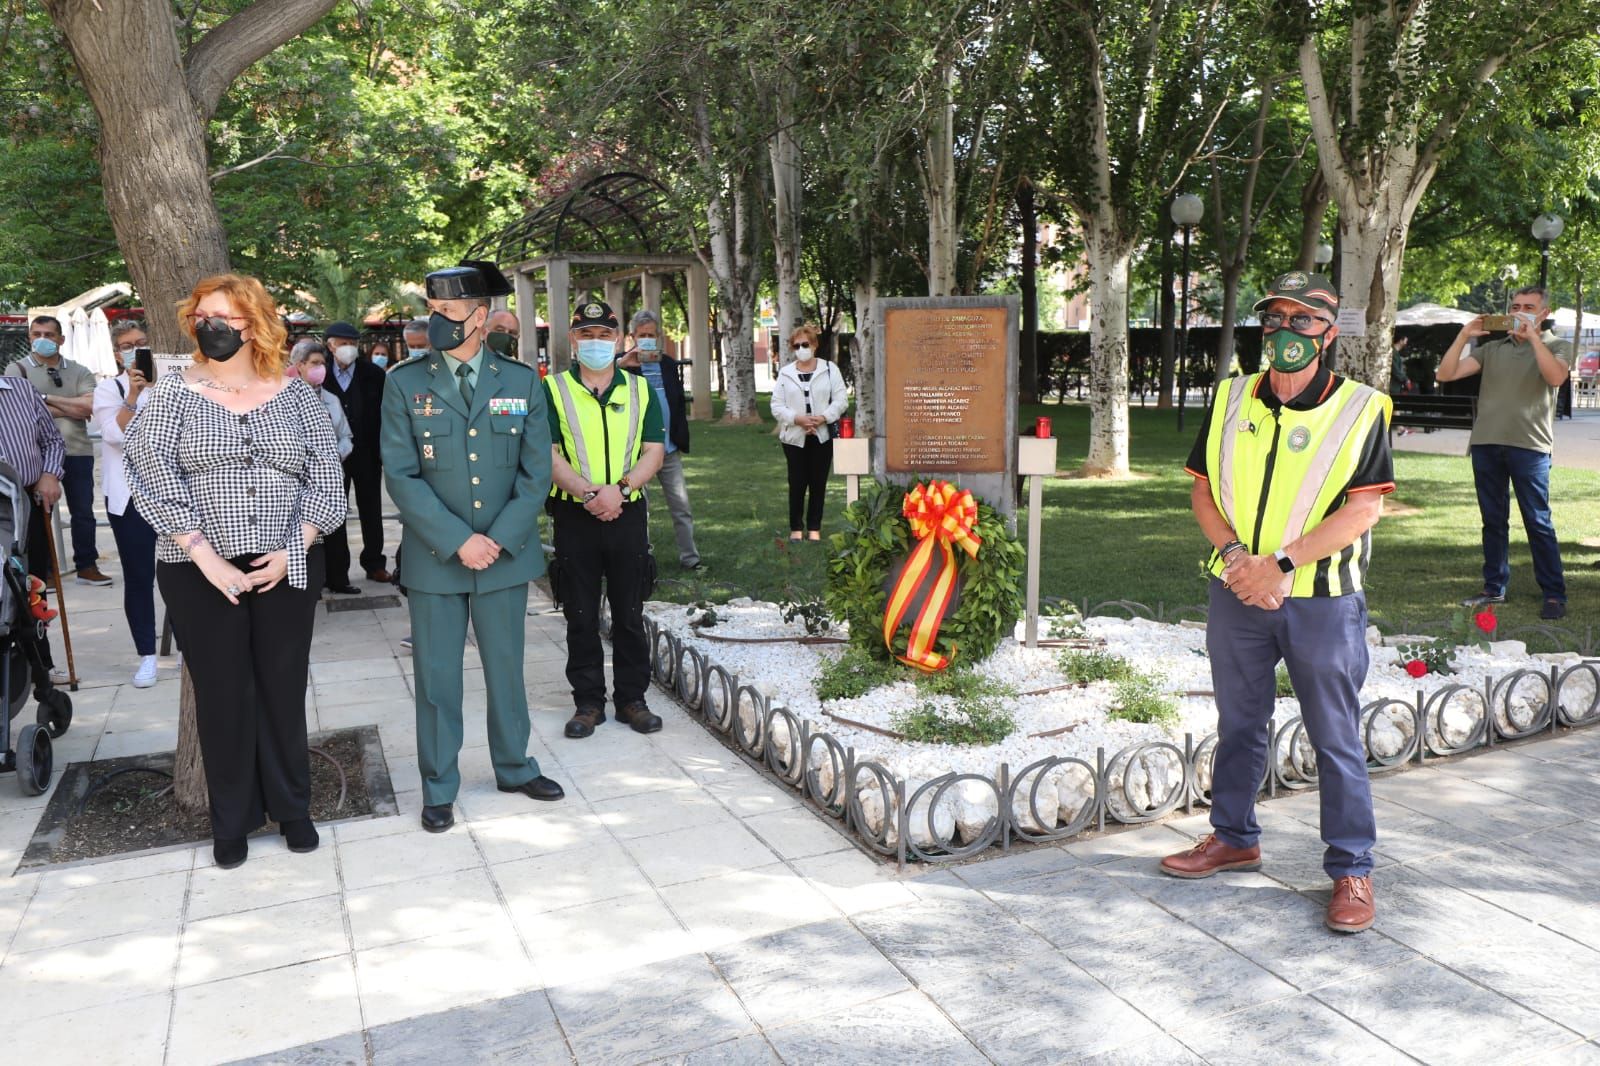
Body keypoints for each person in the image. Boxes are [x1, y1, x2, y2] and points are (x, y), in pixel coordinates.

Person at [1166, 270, 1393, 935]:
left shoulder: (1362, 407)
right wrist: (1241, 562)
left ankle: (1352, 867)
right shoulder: (1230, 397)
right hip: (1237, 590)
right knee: (1240, 724)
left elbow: (1365, 510)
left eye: (1303, 319)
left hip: (1320, 598)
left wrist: (1284, 565)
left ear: (1328, 330)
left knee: (1334, 737)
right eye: (1275, 319)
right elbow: (1203, 491)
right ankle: (1233, 837)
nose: (1286, 332)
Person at [124, 272, 346, 870]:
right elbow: (151, 477)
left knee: (282, 684)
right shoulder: (170, 396)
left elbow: (325, 473)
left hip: (287, 561)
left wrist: (296, 546)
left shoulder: (296, 394)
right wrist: (203, 553)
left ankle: (292, 809)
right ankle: (232, 819)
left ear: (255, 323)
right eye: (201, 317)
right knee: (223, 693)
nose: (211, 327)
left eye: (224, 316)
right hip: (198, 566)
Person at [381, 261, 564, 833]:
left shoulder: (522, 381)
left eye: (447, 312)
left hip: (505, 558)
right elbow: (401, 474)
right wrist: (460, 541)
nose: (434, 321)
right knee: (437, 678)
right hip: (437, 558)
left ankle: (514, 766)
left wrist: (497, 540)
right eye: (431, 310)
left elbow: (535, 475)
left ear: (480, 317)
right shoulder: (404, 382)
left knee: (507, 670)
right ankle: (439, 785)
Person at [546, 299, 666, 739]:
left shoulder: (640, 389)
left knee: (630, 611)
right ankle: (588, 702)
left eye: (604, 335)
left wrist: (623, 490)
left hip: (627, 510)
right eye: (586, 335)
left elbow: (654, 449)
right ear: (573, 341)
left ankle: (632, 699)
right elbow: (548, 453)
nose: (595, 343)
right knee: (579, 611)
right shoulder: (553, 389)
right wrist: (588, 492)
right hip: (574, 513)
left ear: (618, 339)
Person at [1435, 286, 1575, 620]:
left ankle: (1554, 594)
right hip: (1486, 443)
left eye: (1529, 306)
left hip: (1530, 447)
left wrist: (1535, 339)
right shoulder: (1492, 349)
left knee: (1537, 521)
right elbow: (1445, 374)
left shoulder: (1557, 345)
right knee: (1493, 521)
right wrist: (1465, 335)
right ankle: (1493, 587)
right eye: (1515, 306)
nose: (1520, 311)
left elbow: (1555, 378)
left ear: (1543, 313)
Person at [13, 316, 111, 586]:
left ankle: (87, 566)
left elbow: (89, 407)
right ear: (30, 337)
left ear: (61, 339)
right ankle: (44, 572)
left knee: (83, 512)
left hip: (77, 450)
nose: (42, 338)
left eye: (49, 334)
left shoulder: (79, 370)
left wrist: (42, 400)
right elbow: (18, 411)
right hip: (36, 455)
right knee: (38, 516)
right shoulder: (17, 369)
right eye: (36, 333)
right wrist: (71, 405)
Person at [91, 320, 160, 687]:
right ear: (118, 353)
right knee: (139, 577)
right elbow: (115, 435)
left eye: (141, 342)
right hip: (129, 497)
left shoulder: (168, 384)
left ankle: (186, 650)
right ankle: (147, 656)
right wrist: (132, 397)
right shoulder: (108, 390)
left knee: (182, 575)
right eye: (127, 345)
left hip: (171, 494)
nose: (134, 348)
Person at [0, 358, 68, 684]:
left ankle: (42, 664)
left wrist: (49, 474)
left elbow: (53, 441)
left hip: (25, 502)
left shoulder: (22, 391)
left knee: (32, 584)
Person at [619, 310, 701, 570]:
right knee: (637, 509)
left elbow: (675, 403)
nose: (646, 340)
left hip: (668, 450)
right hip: (637, 453)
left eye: (650, 335)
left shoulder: (667, 363)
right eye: (641, 335)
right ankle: (638, 558)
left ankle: (691, 559)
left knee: (681, 506)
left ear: (659, 337)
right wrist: (622, 365)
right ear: (632, 336)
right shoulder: (622, 366)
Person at [321, 320, 391, 592]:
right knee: (335, 513)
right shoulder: (320, 373)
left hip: (367, 453)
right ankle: (336, 572)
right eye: (342, 344)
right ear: (330, 345)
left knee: (371, 509)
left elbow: (386, 413)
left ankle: (374, 563)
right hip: (332, 457)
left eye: (352, 343)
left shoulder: (373, 374)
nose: (348, 349)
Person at [770, 325, 847, 541]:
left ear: (814, 344)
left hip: (822, 435)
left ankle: (814, 528)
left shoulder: (830, 369)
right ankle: (796, 528)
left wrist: (823, 417)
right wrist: (798, 419)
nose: (801, 348)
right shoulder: (786, 373)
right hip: (794, 437)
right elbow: (776, 405)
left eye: (805, 344)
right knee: (796, 483)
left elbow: (841, 400)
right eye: (797, 346)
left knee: (818, 482)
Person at [290, 341, 354, 462]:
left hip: (328, 473)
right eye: (314, 363)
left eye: (322, 363)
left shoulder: (332, 399)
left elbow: (345, 437)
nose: (320, 367)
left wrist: (335, 457)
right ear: (299, 365)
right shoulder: (284, 398)